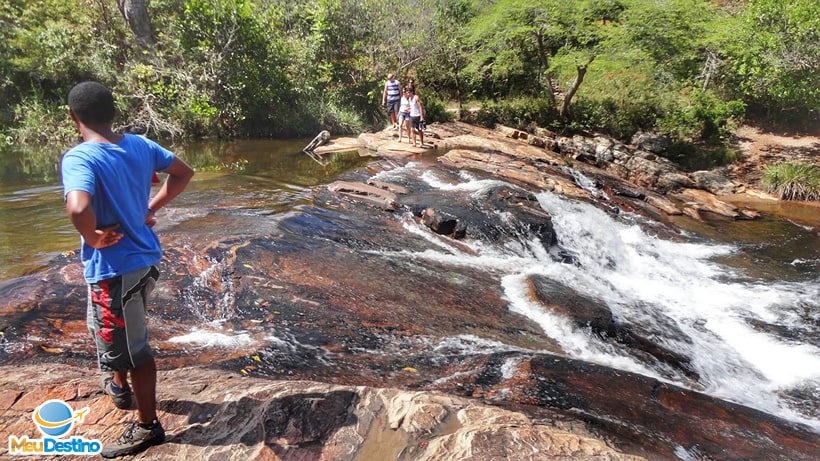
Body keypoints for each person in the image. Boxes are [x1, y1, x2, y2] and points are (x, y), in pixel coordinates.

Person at [60, 81, 194, 459]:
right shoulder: (139, 145)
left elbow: (78, 208)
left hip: (117, 268)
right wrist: (151, 208)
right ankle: (118, 385)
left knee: (134, 348)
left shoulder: (80, 158)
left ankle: (148, 427)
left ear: (74, 118)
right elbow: (184, 172)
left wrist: (94, 237)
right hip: (142, 261)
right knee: (105, 326)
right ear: (112, 112)